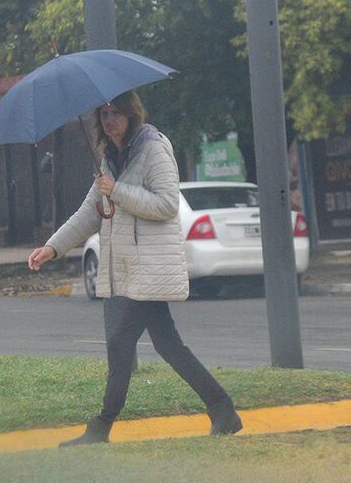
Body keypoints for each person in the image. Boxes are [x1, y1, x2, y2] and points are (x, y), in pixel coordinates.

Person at [27, 90, 243, 447]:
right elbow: (89, 212)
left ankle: (101, 426)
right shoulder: (110, 159)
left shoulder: (153, 147)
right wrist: (52, 247)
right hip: (126, 268)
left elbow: (167, 204)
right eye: (104, 114)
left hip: (146, 267)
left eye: (115, 112)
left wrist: (118, 190)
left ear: (131, 114)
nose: (108, 120)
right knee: (169, 346)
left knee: (119, 343)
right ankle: (222, 410)